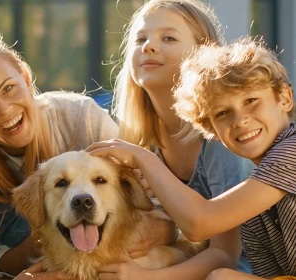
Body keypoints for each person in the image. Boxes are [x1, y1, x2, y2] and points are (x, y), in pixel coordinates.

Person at [88, 38, 295, 279]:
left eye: (251, 101)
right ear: (211, 128)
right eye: (223, 113)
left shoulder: (290, 151)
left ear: (285, 98)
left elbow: (200, 223)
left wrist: (143, 158)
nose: (240, 120)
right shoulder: (254, 205)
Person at [0, 32, 120, 279]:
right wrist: (42, 245)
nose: (4, 109)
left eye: (8, 88)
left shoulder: (83, 119)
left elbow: (145, 198)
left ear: (25, 78)